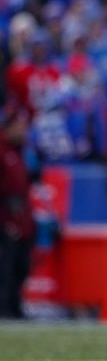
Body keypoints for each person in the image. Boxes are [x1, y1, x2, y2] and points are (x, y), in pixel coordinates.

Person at [0, 105, 35, 318]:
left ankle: (15, 305)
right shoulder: (2, 150)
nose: (23, 131)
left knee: (22, 263)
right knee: (6, 263)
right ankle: (4, 307)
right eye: (19, 126)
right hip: (5, 212)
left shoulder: (22, 150)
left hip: (22, 212)